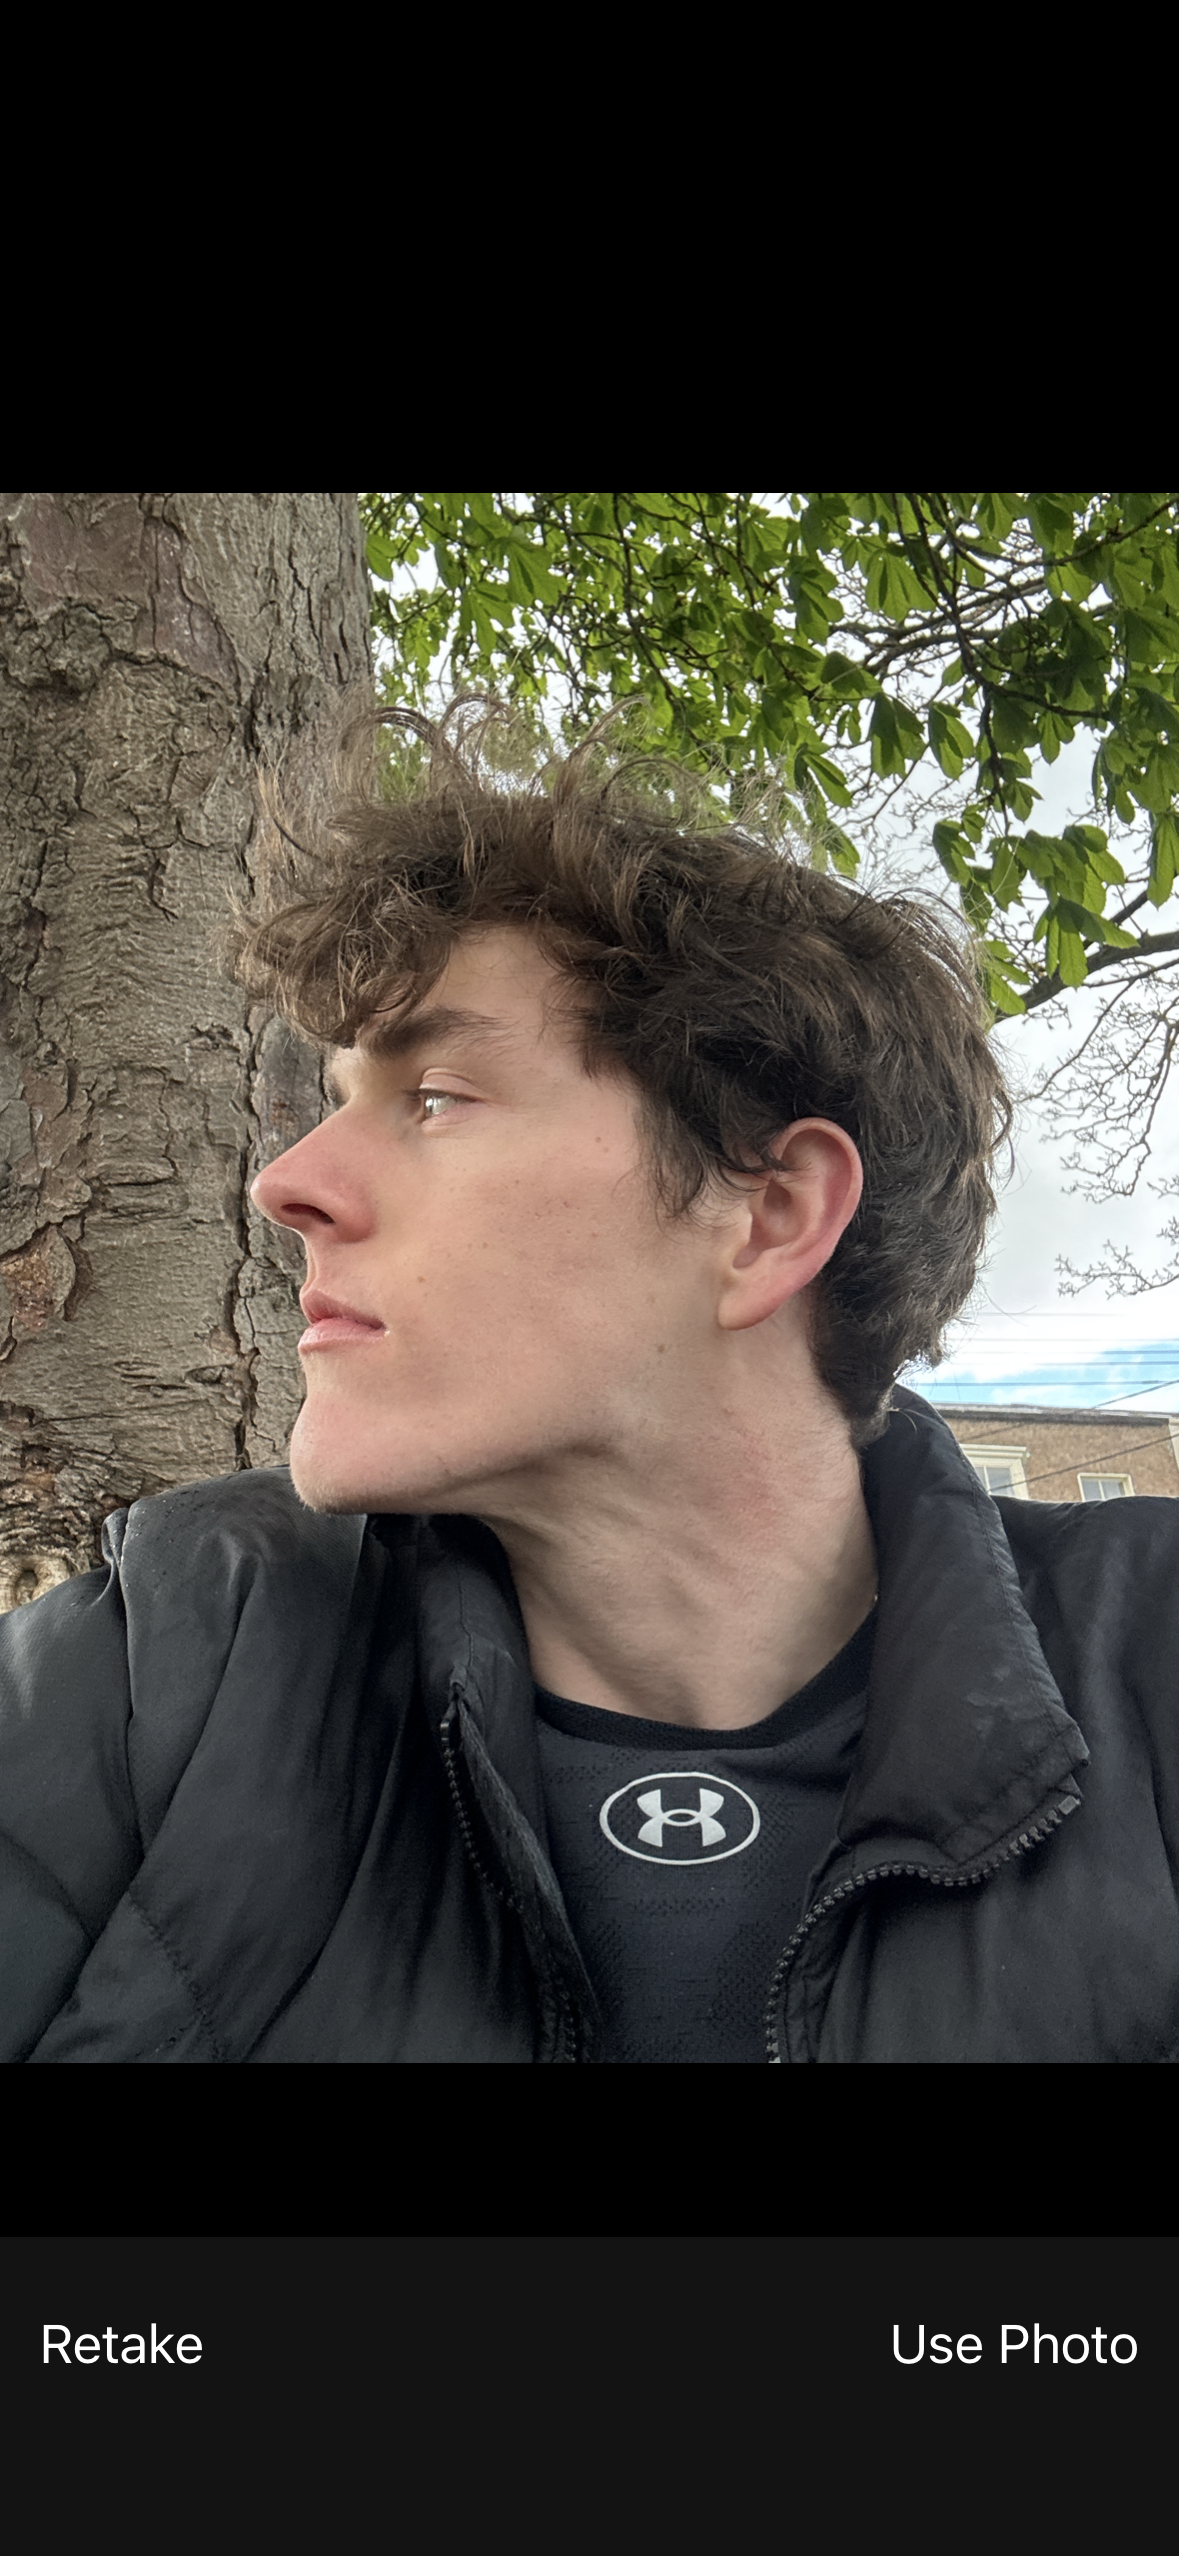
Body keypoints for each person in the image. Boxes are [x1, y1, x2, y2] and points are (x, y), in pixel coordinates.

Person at [3, 709, 1178, 2064]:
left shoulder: (1148, 1658)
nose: (287, 1185)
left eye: (435, 1094)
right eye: (333, 1102)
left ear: (770, 1216)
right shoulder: (171, 1659)